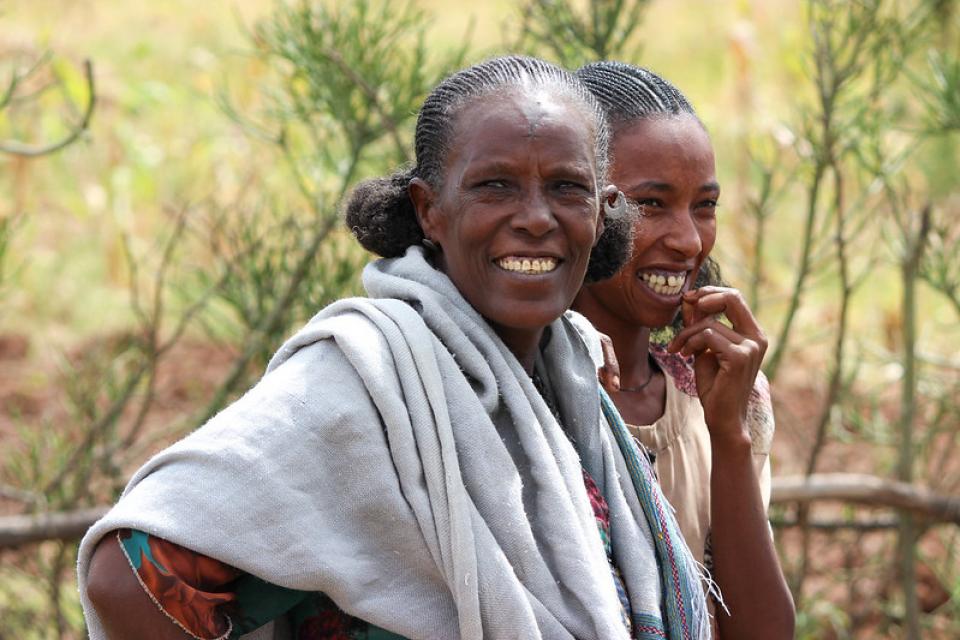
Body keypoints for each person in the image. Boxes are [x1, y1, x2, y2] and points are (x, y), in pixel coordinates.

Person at [79, 56, 712, 640]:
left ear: (602, 214)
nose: (537, 218)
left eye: (567, 188)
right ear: (429, 209)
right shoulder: (364, 383)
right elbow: (127, 577)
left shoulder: (570, 381)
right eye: (495, 186)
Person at [571, 61, 795, 639]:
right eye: (651, 204)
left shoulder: (714, 395)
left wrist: (729, 434)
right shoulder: (519, 387)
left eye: (704, 205)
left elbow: (761, 632)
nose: (690, 240)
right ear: (578, 204)